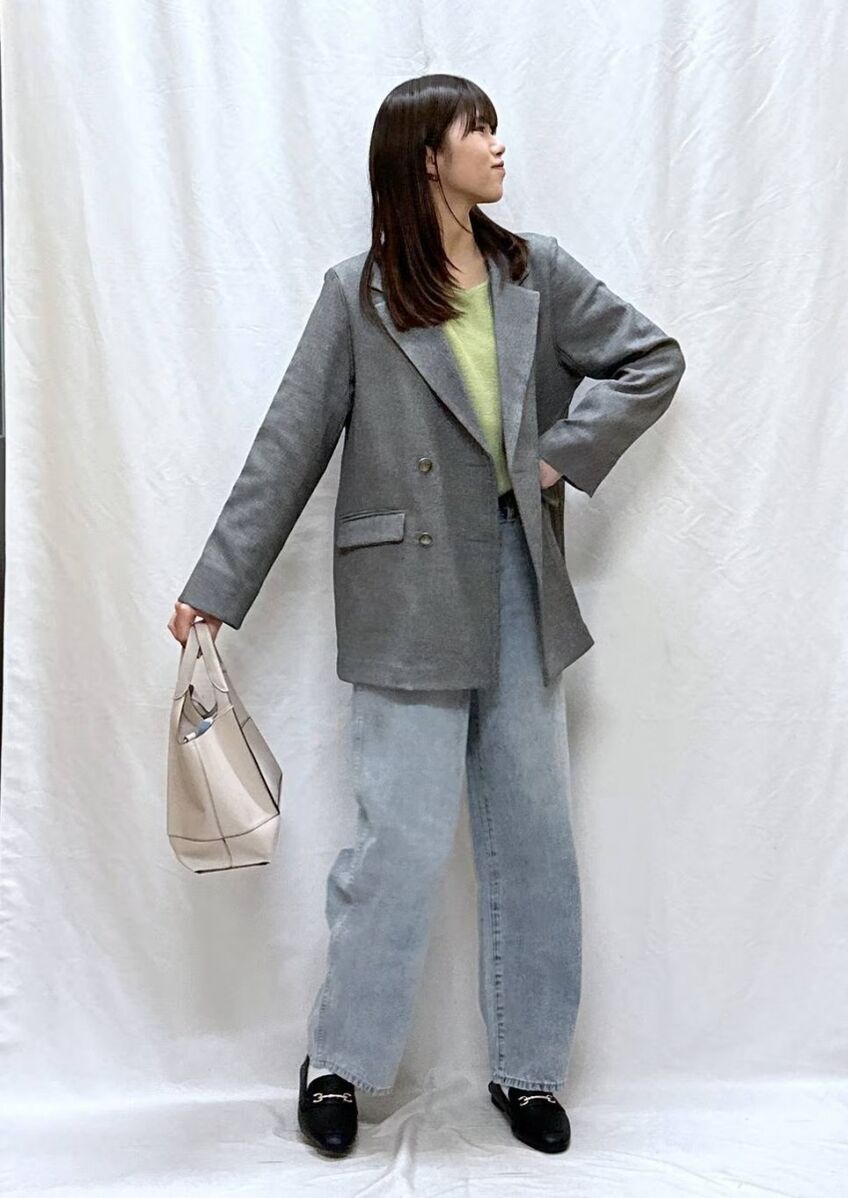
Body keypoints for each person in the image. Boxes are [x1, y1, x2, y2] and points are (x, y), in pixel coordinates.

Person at [167, 73, 686, 1157]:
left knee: (533, 832)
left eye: (494, 124)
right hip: (404, 591)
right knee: (398, 839)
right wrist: (217, 584)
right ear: (425, 158)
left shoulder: (532, 270)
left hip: (517, 576)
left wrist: (558, 453)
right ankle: (339, 1062)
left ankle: (528, 1068)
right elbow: (287, 444)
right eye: (475, 128)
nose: (497, 144)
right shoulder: (356, 294)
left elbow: (649, 358)